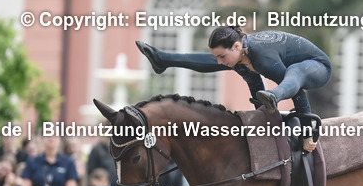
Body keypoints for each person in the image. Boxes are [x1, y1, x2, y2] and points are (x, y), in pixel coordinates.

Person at [136, 26, 332, 151]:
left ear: (237, 46)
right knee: (275, 81)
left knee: (294, 72)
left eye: (222, 56)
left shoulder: (263, 57)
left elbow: (297, 93)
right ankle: (162, 58)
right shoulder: (241, 58)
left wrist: (307, 133)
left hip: (317, 67)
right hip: (286, 80)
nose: (220, 61)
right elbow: (256, 88)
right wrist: (265, 121)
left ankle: (275, 95)